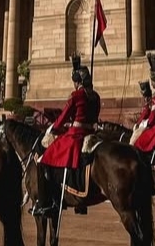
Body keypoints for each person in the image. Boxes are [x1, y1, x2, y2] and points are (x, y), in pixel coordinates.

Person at [32, 55, 101, 217]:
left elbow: (63, 117)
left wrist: (53, 128)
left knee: (43, 161)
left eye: (74, 81)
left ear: (77, 82)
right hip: (91, 133)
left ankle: (45, 203)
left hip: (76, 135)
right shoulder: (96, 96)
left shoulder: (76, 95)